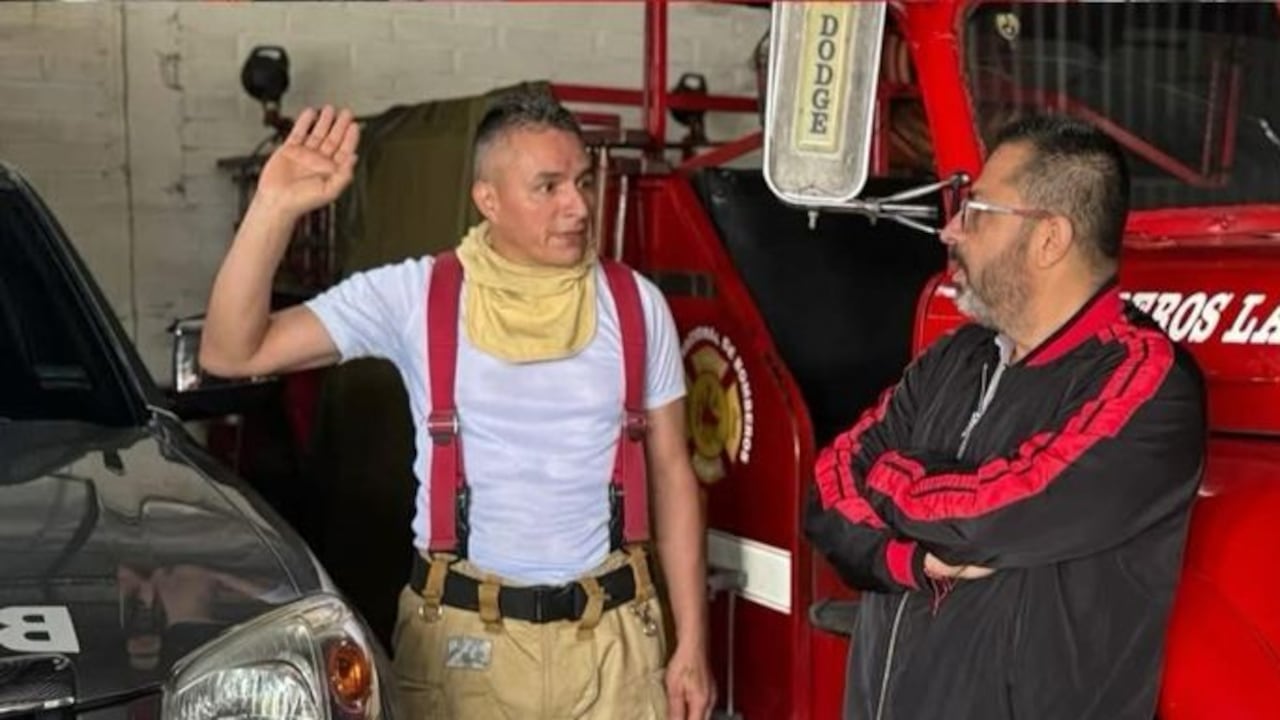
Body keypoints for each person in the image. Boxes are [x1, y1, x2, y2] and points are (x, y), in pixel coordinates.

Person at [199, 88, 714, 719]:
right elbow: (230, 351)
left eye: (582, 181)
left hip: (615, 649)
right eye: (547, 187)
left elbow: (672, 475)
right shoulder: (419, 295)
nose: (578, 206)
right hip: (464, 649)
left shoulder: (635, 306)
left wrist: (692, 644)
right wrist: (274, 208)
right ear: (487, 201)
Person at [803, 114, 1206, 720]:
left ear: (1050, 238)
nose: (950, 231)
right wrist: (905, 561)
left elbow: (985, 514)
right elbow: (827, 484)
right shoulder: (954, 356)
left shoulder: (1146, 384)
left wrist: (885, 473)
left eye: (978, 212)